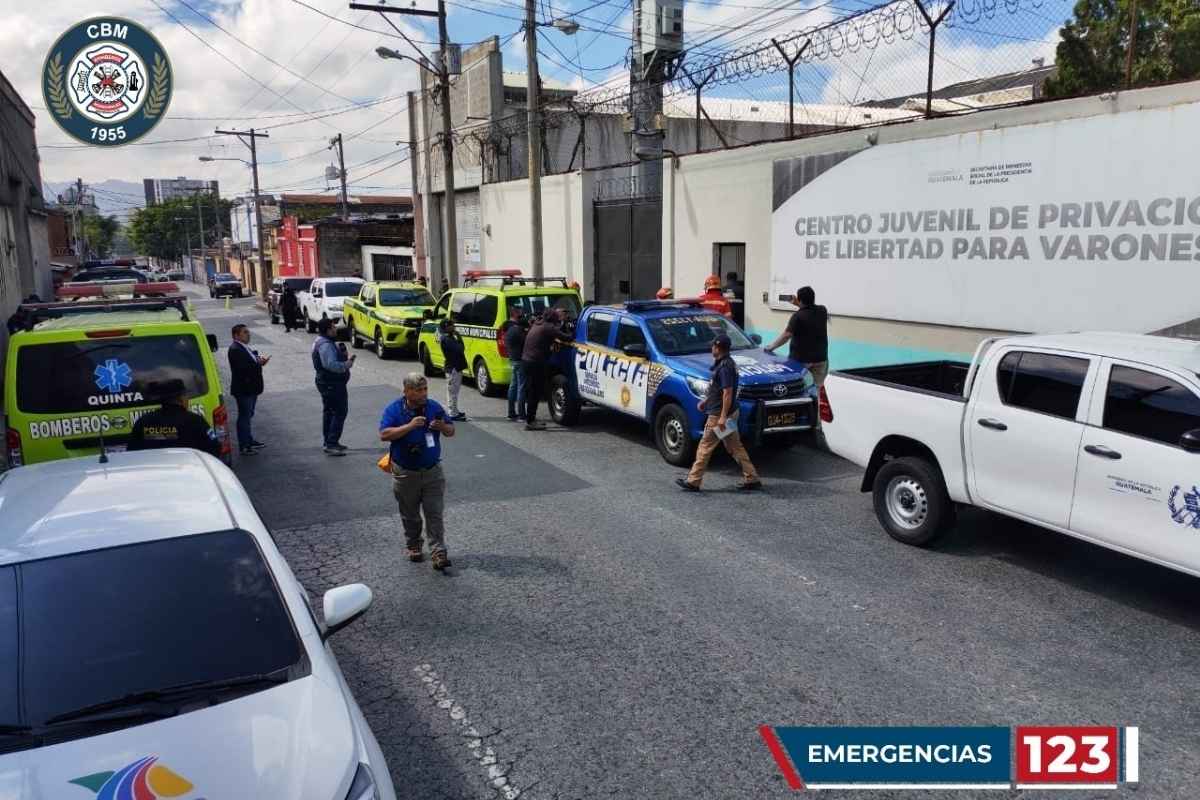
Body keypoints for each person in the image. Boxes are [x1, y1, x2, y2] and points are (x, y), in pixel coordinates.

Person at [380, 373, 456, 571]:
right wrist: (409, 426)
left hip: (432, 471)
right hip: (405, 472)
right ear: (406, 391)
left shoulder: (433, 407)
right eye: (418, 390)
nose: (423, 393)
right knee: (410, 514)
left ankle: (438, 552)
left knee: (434, 513)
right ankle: (414, 545)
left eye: (425, 389)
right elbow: (384, 434)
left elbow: (451, 431)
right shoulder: (394, 409)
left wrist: (442, 426)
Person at [676, 335, 762, 492]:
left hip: (719, 416)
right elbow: (716, 388)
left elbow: (727, 393)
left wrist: (722, 417)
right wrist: (705, 401)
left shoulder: (724, 367)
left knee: (705, 446)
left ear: (718, 348)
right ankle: (752, 478)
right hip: (727, 413)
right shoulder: (726, 363)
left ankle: (693, 481)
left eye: (713, 346)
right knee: (734, 446)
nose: (711, 349)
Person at [128, 379, 222, 458]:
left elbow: (131, 452)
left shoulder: (143, 422)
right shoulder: (196, 421)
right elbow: (215, 448)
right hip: (190, 473)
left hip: (154, 474)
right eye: (186, 396)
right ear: (181, 399)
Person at [765, 285, 830, 386]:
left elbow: (786, 335)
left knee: (798, 387)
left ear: (800, 300)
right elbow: (809, 311)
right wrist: (799, 304)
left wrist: (771, 347)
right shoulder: (822, 310)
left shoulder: (797, 317)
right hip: (821, 359)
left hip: (802, 360)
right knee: (816, 388)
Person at [312, 317, 356, 455]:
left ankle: (330, 442)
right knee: (339, 411)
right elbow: (330, 365)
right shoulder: (325, 344)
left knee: (330, 412)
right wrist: (346, 364)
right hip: (331, 383)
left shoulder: (322, 341)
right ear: (328, 329)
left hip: (328, 382)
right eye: (333, 327)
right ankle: (331, 443)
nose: (336, 329)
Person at [228, 323, 269, 456]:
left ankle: (249, 440)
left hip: (251, 388)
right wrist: (259, 363)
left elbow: (250, 361)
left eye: (248, 332)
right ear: (236, 335)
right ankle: (244, 446)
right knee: (244, 417)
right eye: (245, 332)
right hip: (244, 389)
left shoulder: (244, 347)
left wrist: (257, 359)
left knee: (248, 415)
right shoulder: (235, 349)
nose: (248, 334)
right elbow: (244, 369)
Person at [521, 308, 565, 431]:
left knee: (532, 392)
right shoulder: (548, 327)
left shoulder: (537, 324)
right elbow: (566, 337)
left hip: (527, 361)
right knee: (535, 393)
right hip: (535, 363)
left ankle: (530, 419)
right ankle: (530, 422)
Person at [501, 306, 528, 421]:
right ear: (516, 314)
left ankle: (511, 413)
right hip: (520, 360)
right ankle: (522, 414)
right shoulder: (517, 330)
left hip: (512, 359)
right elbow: (525, 342)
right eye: (520, 312)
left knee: (513, 386)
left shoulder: (508, 329)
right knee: (521, 388)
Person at [439, 318, 468, 421]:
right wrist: (459, 337)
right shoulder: (447, 339)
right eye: (452, 325)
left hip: (454, 367)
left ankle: (454, 410)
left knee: (453, 391)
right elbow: (460, 349)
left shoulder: (449, 337)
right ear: (447, 327)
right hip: (453, 368)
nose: (454, 327)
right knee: (453, 392)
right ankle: (453, 414)